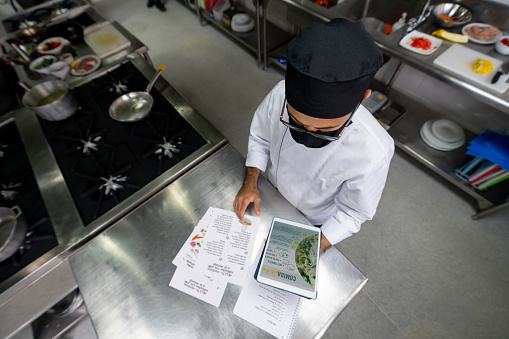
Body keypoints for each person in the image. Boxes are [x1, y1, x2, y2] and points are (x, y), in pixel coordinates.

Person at [233, 18, 394, 252]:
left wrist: (312, 246)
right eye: (296, 123)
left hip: (314, 218)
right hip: (271, 194)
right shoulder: (280, 94)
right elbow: (260, 137)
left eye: (325, 131)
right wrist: (250, 183)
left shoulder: (374, 150)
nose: (309, 134)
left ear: (364, 97)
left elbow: (353, 213)